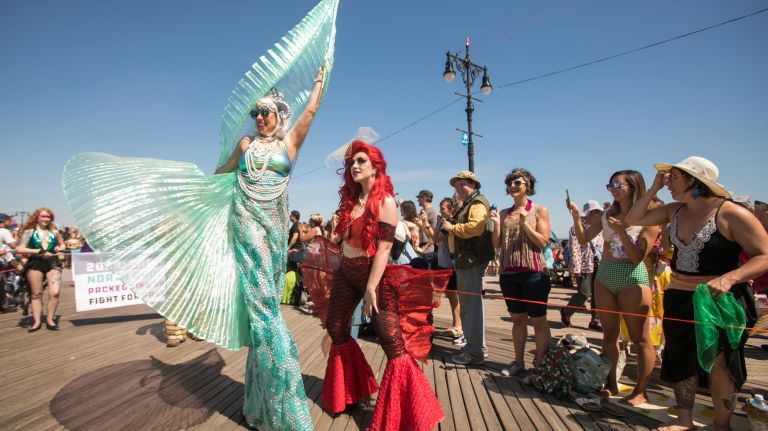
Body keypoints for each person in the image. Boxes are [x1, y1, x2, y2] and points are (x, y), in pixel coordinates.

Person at [625, 156, 768, 431]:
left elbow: (764, 255)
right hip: (679, 296)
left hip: (719, 300)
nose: (668, 183)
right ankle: (684, 419)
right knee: (680, 357)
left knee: (720, 363)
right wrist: (653, 188)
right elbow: (633, 218)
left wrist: (730, 278)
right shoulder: (674, 210)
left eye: (673, 178)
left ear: (695, 181)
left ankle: (721, 424)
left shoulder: (730, 214)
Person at [321, 140, 450, 431]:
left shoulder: (386, 201)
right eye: (352, 162)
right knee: (336, 327)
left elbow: (385, 247)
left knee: (391, 341)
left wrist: (370, 288)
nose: (355, 166)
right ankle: (349, 392)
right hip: (347, 271)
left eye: (361, 161)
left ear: (375, 167)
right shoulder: (353, 201)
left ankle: (410, 416)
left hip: (374, 276)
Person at [568, 170, 660, 406]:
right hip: (605, 275)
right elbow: (583, 239)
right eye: (610, 185)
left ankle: (641, 390)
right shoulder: (606, 214)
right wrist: (576, 216)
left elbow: (637, 257)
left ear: (633, 185)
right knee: (609, 335)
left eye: (618, 184)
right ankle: (610, 383)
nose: (613, 189)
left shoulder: (649, 216)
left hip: (632, 276)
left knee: (640, 338)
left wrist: (621, 231)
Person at [488, 168, 552, 376]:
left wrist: (526, 224)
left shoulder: (539, 210)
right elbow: (496, 244)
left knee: (538, 320)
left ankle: (540, 366)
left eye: (518, 183)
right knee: (517, 320)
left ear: (528, 186)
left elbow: (542, 242)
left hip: (533, 272)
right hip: (509, 273)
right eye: (510, 183)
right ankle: (518, 362)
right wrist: (496, 224)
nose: (513, 186)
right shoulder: (504, 213)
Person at [443, 170, 495, 365]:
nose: (458, 188)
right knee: (471, 307)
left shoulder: (477, 203)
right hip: (468, 260)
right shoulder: (471, 203)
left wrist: (452, 228)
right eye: (456, 185)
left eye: (462, 184)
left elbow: (476, 227)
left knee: (470, 308)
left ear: (473, 185)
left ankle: (474, 353)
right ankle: (477, 348)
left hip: (470, 260)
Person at [420, 198, 463, 344]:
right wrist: (426, 223)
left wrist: (426, 224)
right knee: (445, 295)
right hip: (441, 264)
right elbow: (433, 237)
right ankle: (455, 325)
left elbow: (438, 238)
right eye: (440, 207)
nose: (441, 210)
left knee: (451, 296)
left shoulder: (450, 222)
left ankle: (458, 326)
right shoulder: (441, 222)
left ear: (451, 210)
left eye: (443, 208)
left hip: (449, 265)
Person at [15, 208, 65, 332]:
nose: (46, 219)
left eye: (48, 217)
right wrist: (38, 251)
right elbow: (19, 248)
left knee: (55, 292)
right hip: (35, 263)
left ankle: (50, 319)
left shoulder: (54, 232)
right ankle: (37, 321)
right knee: (36, 294)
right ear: (37, 217)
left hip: (53, 263)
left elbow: (62, 244)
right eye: (43, 216)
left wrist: (60, 248)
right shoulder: (29, 232)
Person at [562, 200, 604, 331]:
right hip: (584, 265)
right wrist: (575, 268)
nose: (599, 214)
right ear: (590, 213)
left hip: (600, 264)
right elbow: (574, 248)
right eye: (597, 212)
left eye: (600, 212)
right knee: (584, 293)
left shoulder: (601, 226)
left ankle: (595, 320)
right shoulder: (576, 227)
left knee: (598, 294)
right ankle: (567, 311)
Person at [416, 189, 437, 265]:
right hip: (423, 248)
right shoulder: (424, 211)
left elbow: (433, 234)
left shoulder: (430, 211)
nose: (417, 200)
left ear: (424, 198)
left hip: (426, 250)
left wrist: (424, 248)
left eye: (419, 197)